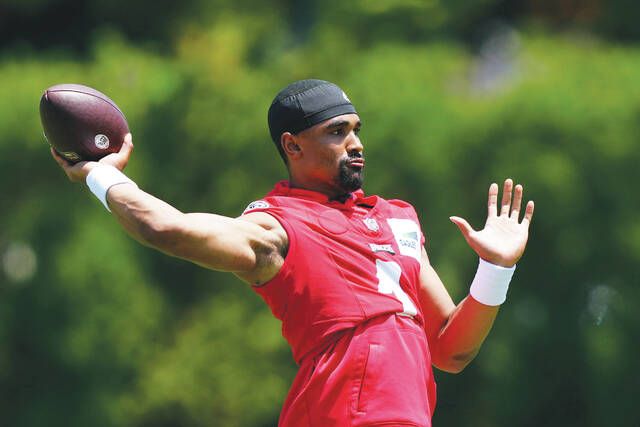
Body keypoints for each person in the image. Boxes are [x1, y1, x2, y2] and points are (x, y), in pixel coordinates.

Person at [51, 79, 534, 427]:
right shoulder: (277, 226)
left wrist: (496, 269)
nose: (356, 143)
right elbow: (163, 227)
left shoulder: (397, 218)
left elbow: (451, 350)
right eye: (336, 131)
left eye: (356, 129)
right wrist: (100, 174)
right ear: (292, 145)